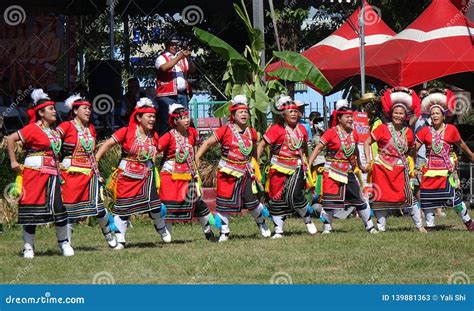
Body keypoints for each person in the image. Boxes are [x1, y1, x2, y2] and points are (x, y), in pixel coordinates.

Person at [6, 89, 73, 258]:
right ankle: (28, 246)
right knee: (31, 208)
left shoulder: (55, 131)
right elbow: (10, 139)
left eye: (54, 109)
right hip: (34, 173)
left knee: (59, 206)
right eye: (50, 109)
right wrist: (13, 161)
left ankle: (64, 243)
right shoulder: (31, 129)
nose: (54, 111)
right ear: (41, 113)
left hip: (53, 173)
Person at [96, 98, 170, 249]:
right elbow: (108, 144)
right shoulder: (126, 131)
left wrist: (153, 166)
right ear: (138, 117)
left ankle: (160, 227)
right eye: (149, 116)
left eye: (154, 116)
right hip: (127, 175)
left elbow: (154, 152)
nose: (152, 119)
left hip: (146, 175)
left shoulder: (154, 135)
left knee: (155, 205)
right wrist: (96, 159)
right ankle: (120, 238)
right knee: (123, 208)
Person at [196, 95, 271, 242]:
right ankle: (224, 232)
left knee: (252, 202)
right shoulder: (225, 130)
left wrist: (256, 165)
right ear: (233, 115)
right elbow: (208, 143)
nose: (244, 114)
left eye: (246, 112)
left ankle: (262, 224)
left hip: (245, 172)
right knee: (223, 203)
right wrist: (197, 157)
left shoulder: (252, 132)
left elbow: (254, 152)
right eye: (240, 112)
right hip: (226, 172)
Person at [57, 94, 119, 248]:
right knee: (69, 209)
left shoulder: (90, 128)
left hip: (89, 173)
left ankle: (107, 233)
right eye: (84, 108)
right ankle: (66, 243)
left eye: (89, 108)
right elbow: (52, 143)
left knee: (98, 207)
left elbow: (91, 152)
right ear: (75, 110)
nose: (88, 111)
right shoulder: (66, 126)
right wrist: (55, 162)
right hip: (70, 173)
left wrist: (96, 167)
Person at [308, 100, 377, 234]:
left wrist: (360, 165)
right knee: (329, 202)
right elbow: (318, 148)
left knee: (359, 199)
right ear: (339, 118)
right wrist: (309, 164)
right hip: (332, 171)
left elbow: (355, 150)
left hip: (348, 170)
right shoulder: (331, 132)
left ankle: (370, 227)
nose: (350, 119)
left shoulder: (354, 133)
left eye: (351, 116)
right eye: (347, 116)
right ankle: (327, 228)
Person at [363, 87, 425, 232]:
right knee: (380, 199)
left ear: (405, 116)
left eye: (401, 113)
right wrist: (368, 160)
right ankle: (381, 227)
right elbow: (366, 142)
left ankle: (419, 225)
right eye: (396, 113)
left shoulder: (408, 132)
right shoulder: (382, 129)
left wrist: (414, 166)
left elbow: (412, 150)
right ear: (391, 114)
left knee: (408, 197)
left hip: (400, 169)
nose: (398, 115)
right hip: (381, 168)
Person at [257, 95, 317, 239]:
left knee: (294, 194)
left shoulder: (302, 129)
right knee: (276, 198)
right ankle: (278, 230)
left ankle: (307, 219)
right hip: (278, 167)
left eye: (296, 111)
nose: (294, 114)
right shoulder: (275, 129)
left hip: (296, 167)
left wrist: (307, 163)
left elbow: (304, 148)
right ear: (283, 114)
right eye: (291, 111)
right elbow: (262, 145)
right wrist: (255, 163)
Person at [415, 88, 474, 231]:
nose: (435, 115)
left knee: (454, 199)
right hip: (429, 171)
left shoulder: (451, 129)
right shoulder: (424, 131)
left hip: (446, 171)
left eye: (437, 113)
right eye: (432, 113)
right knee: (428, 199)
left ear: (443, 115)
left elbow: (461, 144)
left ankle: (468, 222)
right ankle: (430, 226)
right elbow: (414, 148)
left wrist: (471, 155)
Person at [158, 103, 215, 241]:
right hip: (170, 176)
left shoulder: (192, 134)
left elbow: (194, 152)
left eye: (188, 116)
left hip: (188, 175)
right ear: (175, 120)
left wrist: (196, 166)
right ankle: (167, 236)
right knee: (169, 206)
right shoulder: (168, 136)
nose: (187, 119)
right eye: (183, 117)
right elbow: (156, 150)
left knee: (198, 204)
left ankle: (208, 232)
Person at [155, 38, 196, 135]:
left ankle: (182, 143)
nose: (174, 46)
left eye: (175, 44)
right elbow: (164, 68)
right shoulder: (161, 58)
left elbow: (193, 70)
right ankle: (165, 144)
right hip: (166, 95)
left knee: (184, 119)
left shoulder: (182, 59)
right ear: (167, 46)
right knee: (168, 120)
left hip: (182, 94)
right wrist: (179, 57)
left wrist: (188, 57)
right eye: (172, 44)